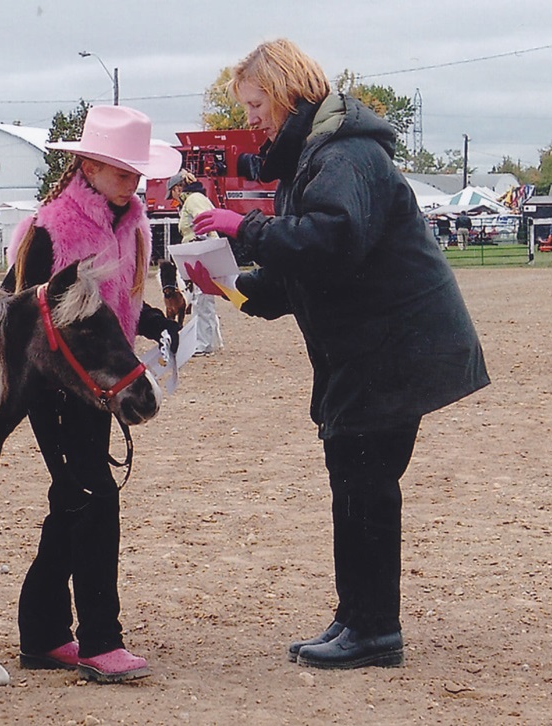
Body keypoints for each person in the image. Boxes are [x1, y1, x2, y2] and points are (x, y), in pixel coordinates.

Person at [190, 39, 490, 670]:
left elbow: (331, 242)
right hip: (375, 351)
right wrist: (229, 284)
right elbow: (304, 274)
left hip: (389, 350)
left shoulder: (344, 157)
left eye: (255, 105)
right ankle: (357, 617)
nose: (250, 121)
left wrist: (240, 229)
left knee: (363, 483)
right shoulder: (321, 159)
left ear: (286, 91)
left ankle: (374, 629)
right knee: (356, 480)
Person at [2, 105, 181, 683]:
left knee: (73, 499)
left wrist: (151, 320)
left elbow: (116, 307)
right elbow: (17, 308)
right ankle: (101, 639)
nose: (133, 182)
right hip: (55, 386)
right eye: (121, 171)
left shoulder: (131, 223)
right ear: (89, 166)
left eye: (137, 172)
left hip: (101, 381)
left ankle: (43, 630)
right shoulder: (51, 229)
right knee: (95, 497)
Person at [165, 170, 224, 354]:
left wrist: (197, 241)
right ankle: (210, 340)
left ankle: (203, 343)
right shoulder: (194, 199)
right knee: (203, 298)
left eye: (172, 193)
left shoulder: (193, 200)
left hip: (201, 251)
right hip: (200, 250)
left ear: (177, 189)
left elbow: (204, 221)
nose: (172, 198)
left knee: (202, 298)